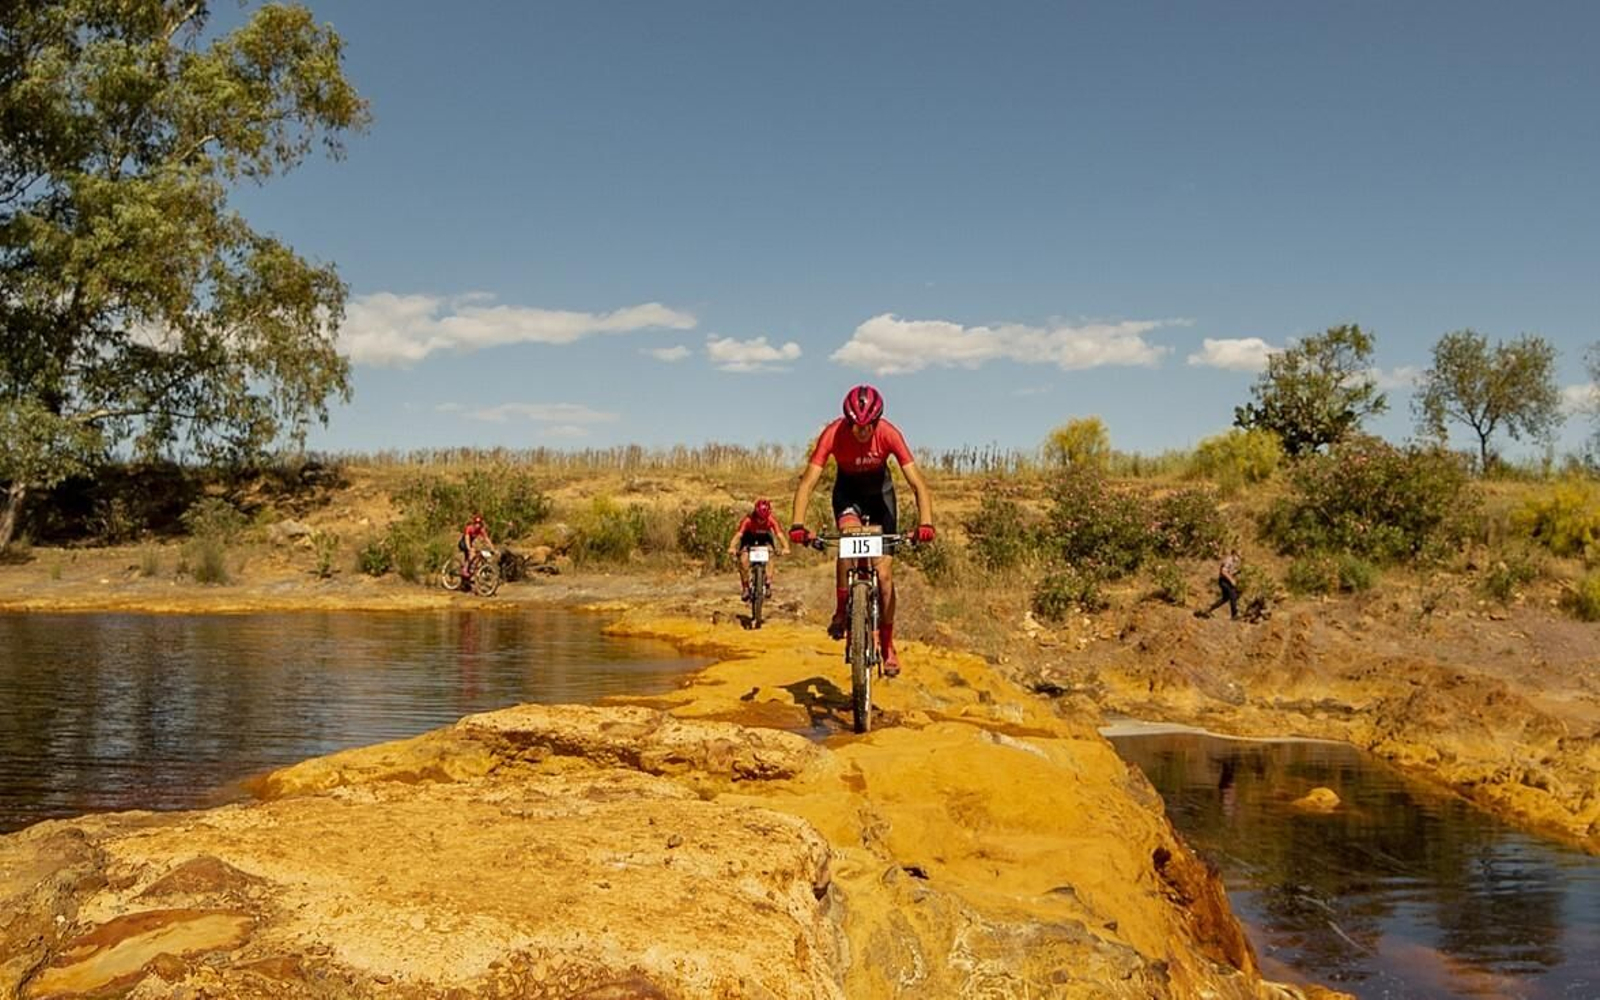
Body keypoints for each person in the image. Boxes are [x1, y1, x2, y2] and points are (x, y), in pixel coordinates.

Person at [788, 384, 935, 677]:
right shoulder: (833, 433)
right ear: (848, 421)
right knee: (848, 541)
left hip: (881, 497)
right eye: (857, 426)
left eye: (868, 426)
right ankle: (843, 609)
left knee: (884, 576)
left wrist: (926, 523)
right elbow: (807, 482)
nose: (863, 432)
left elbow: (917, 483)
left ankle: (888, 645)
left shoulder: (889, 433)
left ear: (877, 422)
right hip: (848, 496)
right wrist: (797, 525)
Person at [725, 498, 789, 601]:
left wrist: (785, 547)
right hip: (749, 538)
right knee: (743, 560)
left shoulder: (771, 520)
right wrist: (732, 547)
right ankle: (745, 587)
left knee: (770, 554)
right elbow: (738, 535)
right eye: (759, 518)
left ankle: (768, 583)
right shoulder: (748, 520)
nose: (761, 521)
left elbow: (780, 535)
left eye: (763, 519)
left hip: (765, 538)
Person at [1196, 548, 1242, 620]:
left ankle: (1209, 609)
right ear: (1234, 554)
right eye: (1238, 556)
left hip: (1225, 581)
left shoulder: (1232, 562)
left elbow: (1229, 572)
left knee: (1225, 598)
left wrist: (1237, 572)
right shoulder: (1228, 560)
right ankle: (1234, 614)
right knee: (1233, 594)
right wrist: (1231, 580)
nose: (1239, 558)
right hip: (1224, 581)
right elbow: (1223, 572)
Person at [458, 513, 495, 589]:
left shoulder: (481, 530)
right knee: (471, 554)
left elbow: (486, 539)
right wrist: (469, 549)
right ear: (474, 523)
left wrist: (492, 548)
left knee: (478, 553)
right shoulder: (469, 528)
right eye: (476, 523)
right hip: (463, 542)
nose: (477, 525)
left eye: (479, 523)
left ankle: (467, 579)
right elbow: (467, 539)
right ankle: (464, 570)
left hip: (470, 542)